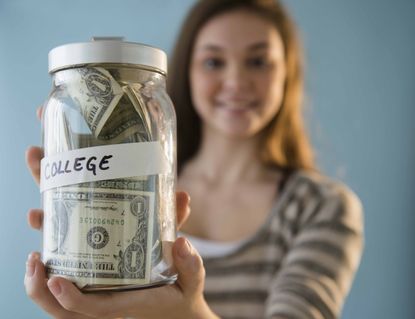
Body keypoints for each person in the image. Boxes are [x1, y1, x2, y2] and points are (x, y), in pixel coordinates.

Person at [24, 0, 364, 318]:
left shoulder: (323, 206)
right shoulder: (145, 186)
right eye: (214, 62)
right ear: (187, 71)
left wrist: (190, 312)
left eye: (258, 61)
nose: (236, 82)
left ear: (287, 73)